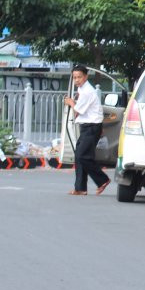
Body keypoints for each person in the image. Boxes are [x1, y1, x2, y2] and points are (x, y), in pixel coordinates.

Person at [63, 65, 111, 196]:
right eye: (75, 77)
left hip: (91, 127)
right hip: (86, 127)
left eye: (79, 77)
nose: (77, 80)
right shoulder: (82, 89)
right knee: (79, 157)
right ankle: (80, 188)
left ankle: (103, 180)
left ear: (85, 76)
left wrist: (70, 102)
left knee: (83, 156)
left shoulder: (87, 91)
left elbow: (78, 110)